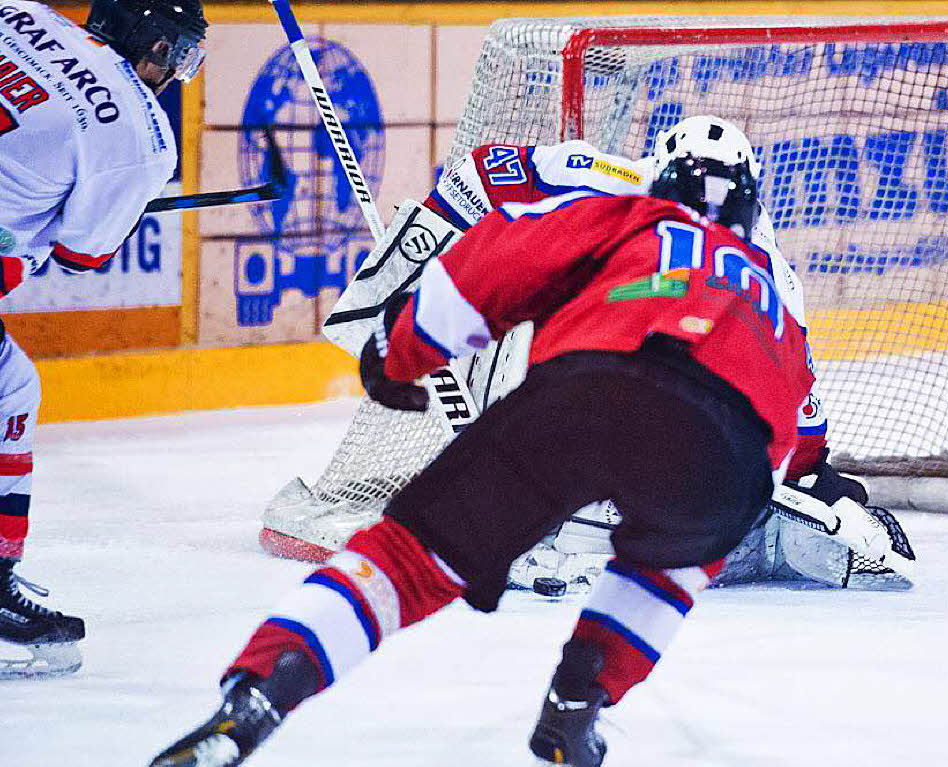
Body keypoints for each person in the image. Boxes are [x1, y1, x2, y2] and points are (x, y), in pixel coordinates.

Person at [152, 126, 816, 766]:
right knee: (670, 566)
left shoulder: (630, 216)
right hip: (724, 450)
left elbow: (501, 257)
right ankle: (576, 703)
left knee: (411, 560)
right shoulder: (781, 293)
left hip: (588, 392)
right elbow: (791, 432)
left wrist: (402, 347)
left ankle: (262, 692)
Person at [291, 115, 912, 593]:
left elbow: (795, 390)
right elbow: (484, 178)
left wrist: (812, 472)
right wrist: (419, 251)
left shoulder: (764, 266)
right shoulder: (622, 186)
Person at [0, 0, 206, 678]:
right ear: (145, 39)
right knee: (11, 390)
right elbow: (81, 255)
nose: (174, 73)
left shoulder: (20, 12)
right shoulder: (140, 131)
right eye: (174, 53)